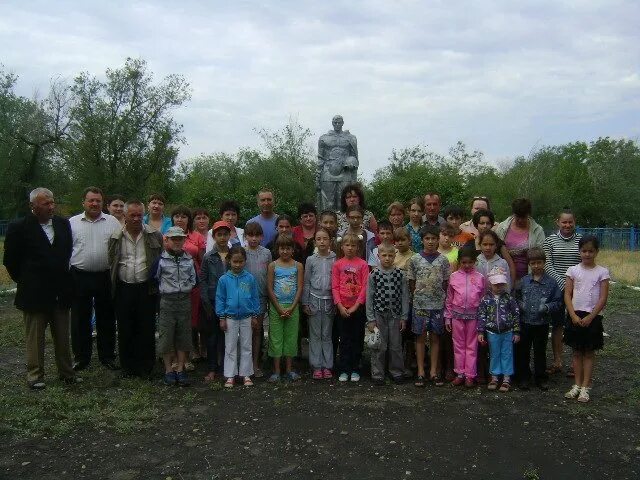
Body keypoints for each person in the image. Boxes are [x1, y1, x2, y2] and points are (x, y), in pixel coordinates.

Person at [3, 187, 80, 389]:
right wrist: (26, 280)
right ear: (33, 206)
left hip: (61, 290)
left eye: (52, 202)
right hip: (34, 293)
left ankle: (66, 372)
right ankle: (35, 375)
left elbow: (66, 252)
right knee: (35, 337)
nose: (51, 207)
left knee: (63, 335)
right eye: (46, 203)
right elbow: (10, 260)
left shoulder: (63, 224)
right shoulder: (19, 227)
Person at [108, 199, 163, 379]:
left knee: (146, 327)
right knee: (125, 327)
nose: (137, 218)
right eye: (132, 215)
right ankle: (128, 366)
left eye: (140, 215)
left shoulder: (155, 235)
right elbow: (112, 261)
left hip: (146, 288)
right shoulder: (115, 236)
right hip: (124, 287)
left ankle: (146, 366)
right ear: (124, 216)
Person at [69, 186, 121, 371]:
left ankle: (107, 356)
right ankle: (81, 357)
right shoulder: (72, 223)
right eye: (91, 200)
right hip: (79, 275)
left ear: (102, 203)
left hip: (105, 275)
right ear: (83, 202)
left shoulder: (112, 221)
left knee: (106, 317)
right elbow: (67, 250)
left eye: (98, 200)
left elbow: (118, 248)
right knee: (79, 318)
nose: (94, 203)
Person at [563, 236, 610, 403]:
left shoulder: (602, 272)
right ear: (579, 251)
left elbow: (603, 297)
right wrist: (573, 315)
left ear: (596, 252)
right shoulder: (573, 270)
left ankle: (585, 387)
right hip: (575, 315)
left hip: (593, 317)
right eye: (584, 251)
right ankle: (576, 385)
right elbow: (567, 295)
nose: (587, 254)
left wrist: (591, 316)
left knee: (589, 353)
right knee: (576, 351)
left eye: (591, 251)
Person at [407, 225, 451, 387]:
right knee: (419, 337)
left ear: (438, 239)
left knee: (435, 338)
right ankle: (420, 371)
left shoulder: (443, 260)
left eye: (433, 238)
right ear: (422, 240)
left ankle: (433, 371)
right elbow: (411, 282)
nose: (431, 242)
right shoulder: (415, 259)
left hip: (438, 305)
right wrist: (418, 297)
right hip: (420, 305)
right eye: (427, 238)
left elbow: (446, 282)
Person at [153, 226, 197, 386]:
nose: (177, 241)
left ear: (184, 240)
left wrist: (187, 288)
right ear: (167, 240)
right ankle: (168, 370)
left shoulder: (189, 259)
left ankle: (180, 369)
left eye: (180, 238)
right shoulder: (161, 260)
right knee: (166, 335)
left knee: (183, 335)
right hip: (167, 301)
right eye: (174, 239)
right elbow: (154, 278)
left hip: (184, 301)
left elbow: (194, 279)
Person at [543, 208, 582, 375]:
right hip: (557, 290)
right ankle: (557, 360)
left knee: (576, 324)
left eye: (570, 222)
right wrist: (563, 284)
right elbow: (547, 264)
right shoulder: (549, 241)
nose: (567, 225)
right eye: (564, 222)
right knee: (557, 325)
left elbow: (584, 262)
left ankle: (576, 363)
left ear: (574, 222)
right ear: (557, 222)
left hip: (578, 289)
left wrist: (573, 285)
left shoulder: (581, 240)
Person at [518, 247, 563, 391]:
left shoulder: (551, 283)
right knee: (523, 351)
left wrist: (547, 307)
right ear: (529, 264)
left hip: (542, 323)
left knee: (540, 351)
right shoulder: (524, 281)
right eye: (533, 263)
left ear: (544, 263)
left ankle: (541, 377)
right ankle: (524, 377)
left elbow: (558, 301)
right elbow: (516, 297)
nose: (536, 266)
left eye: (539, 262)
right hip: (525, 322)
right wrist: (521, 305)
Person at [216, 246, 260, 388]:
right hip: (230, 317)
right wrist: (222, 317)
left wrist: (255, 315)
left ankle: (246, 374)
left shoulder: (250, 278)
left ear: (245, 261)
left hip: (247, 316)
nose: (238, 265)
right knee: (230, 346)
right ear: (229, 261)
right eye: (235, 261)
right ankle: (230, 375)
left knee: (246, 345)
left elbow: (254, 297)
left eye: (240, 261)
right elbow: (220, 299)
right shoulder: (223, 280)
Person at [366, 243, 409, 385]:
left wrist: (404, 316)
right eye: (384, 255)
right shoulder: (374, 274)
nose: (387, 258)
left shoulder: (400, 274)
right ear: (378, 256)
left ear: (394, 256)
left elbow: (404, 296)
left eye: (390, 255)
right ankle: (378, 373)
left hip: (395, 314)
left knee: (396, 345)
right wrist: (370, 319)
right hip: (379, 314)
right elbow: (369, 297)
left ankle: (396, 371)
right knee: (380, 345)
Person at [332, 232, 370, 382]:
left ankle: (355, 368)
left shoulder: (363, 264)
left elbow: (365, 287)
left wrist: (356, 306)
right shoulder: (337, 264)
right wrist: (340, 306)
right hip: (342, 308)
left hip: (357, 308)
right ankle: (344, 368)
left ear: (358, 247)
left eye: (353, 245)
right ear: (342, 247)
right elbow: (334, 287)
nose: (350, 248)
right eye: (347, 245)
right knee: (344, 339)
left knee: (357, 338)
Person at [445, 247, 485, 387]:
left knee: (472, 345)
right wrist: (447, 317)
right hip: (457, 316)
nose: (467, 265)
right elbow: (449, 298)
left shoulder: (480, 277)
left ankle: (470, 374)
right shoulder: (454, 276)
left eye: (470, 262)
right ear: (459, 262)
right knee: (458, 344)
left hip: (474, 316)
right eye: (464, 262)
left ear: (474, 261)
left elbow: (483, 298)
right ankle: (460, 373)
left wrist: (482, 319)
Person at [171, 206, 206, 368]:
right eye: (177, 216)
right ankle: (178, 357)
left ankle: (193, 351)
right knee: (177, 319)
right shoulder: (167, 236)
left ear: (188, 220)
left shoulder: (196, 236)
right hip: (173, 284)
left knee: (193, 319)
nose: (180, 219)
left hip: (194, 283)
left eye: (183, 216)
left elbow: (202, 261)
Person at [267, 234, 304, 382]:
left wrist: (293, 307)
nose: (285, 251)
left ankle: (289, 369)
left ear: (293, 249)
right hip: (276, 307)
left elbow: (300, 287)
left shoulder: (298, 266)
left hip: (292, 307)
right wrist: (278, 308)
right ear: (277, 249)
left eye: (288, 248)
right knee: (276, 338)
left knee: (291, 338)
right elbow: (269, 288)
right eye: (282, 248)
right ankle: (276, 370)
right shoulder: (272, 265)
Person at [476, 268, 521, 393]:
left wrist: (516, 331)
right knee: (494, 354)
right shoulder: (485, 299)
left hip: (507, 331)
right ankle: (494, 377)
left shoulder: (509, 299)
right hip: (492, 332)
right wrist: (480, 332)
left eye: (501, 284)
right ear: (490, 283)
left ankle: (506, 378)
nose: (499, 287)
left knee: (507, 354)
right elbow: (481, 316)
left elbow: (516, 314)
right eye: (496, 284)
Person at [303, 228, 337, 379]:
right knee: (315, 334)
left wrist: (337, 302)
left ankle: (327, 365)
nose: (322, 241)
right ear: (315, 241)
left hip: (330, 300)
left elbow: (337, 282)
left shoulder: (335, 259)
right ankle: (316, 366)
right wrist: (305, 303)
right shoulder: (311, 260)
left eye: (325, 238)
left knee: (327, 334)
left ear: (330, 241)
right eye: (319, 239)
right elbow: (306, 282)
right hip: (314, 299)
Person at [200, 221, 232, 382]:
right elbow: (203, 280)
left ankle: (228, 367)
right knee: (212, 337)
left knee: (229, 336)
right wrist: (206, 302)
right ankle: (212, 368)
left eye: (225, 234)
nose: (222, 237)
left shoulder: (235, 255)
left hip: (231, 301)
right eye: (219, 234)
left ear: (230, 235)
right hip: (212, 300)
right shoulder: (208, 257)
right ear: (214, 237)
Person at [495, 198, 546, 291]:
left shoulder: (538, 230)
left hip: (529, 277)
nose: (520, 220)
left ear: (528, 215)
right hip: (504, 276)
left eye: (523, 217)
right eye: (517, 216)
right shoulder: (502, 227)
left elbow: (541, 255)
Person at [244, 221, 273, 377]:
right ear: (245, 236)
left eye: (257, 235)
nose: (254, 239)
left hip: (261, 296)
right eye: (250, 235)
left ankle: (255, 363)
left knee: (257, 330)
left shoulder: (266, 253)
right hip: (244, 297)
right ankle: (245, 364)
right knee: (245, 330)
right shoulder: (241, 252)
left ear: (261, 236)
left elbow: (270, 275)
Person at [316, 115, 359, 212]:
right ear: (332, 123)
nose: (337, 124)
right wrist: (318, 176)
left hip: (345, 171)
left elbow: (354, 155)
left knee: (343, 201)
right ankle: (328, 225)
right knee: (328, 202)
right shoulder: (324, 138)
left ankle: (345, 225)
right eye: (335, 122)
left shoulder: (350, 138)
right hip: (328, 170)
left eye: (339, 122)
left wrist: (351, 161)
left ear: (343, 123)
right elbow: (320, 158)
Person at [465, 209, 517, 284]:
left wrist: (511, 286)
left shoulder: (499, 244)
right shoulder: (469, 245)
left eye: (488, 223)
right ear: (476, 225)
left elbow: (510, 264)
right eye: (482, 223)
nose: (485, 226)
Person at [393, 227, 416, 378]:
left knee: (409, 334)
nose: (400, 243)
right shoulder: (391, 256)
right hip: (393, 300)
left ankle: (408, 364)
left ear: (409, 240)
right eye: (397, 240)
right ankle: (395, 364)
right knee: (396, 334)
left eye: (403, 240)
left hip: (411, 301)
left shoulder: (415, 257)